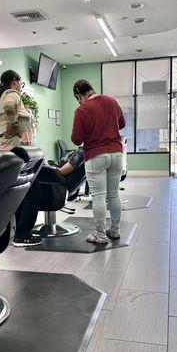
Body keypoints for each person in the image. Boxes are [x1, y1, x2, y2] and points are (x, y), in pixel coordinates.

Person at [71, 79, 125, 244]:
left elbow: (76, 139)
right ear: (92, 89)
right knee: (114, 194)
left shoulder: (82, 109)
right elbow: (122, 124)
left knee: (99, 197)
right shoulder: (112, 101)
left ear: (78, 95)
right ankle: (115, 230)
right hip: (116, 153)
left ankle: (100, 235)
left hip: (96, 155)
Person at [0, 70, 42, 247]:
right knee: (32, 193)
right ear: (14, 81)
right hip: (18, 149)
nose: (21, 86)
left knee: (20, 193)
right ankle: (23, 234)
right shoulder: (11, 94)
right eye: (21, 83)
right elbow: (9, 108)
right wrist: (16, 126)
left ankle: (18, 233)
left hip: (11, 149)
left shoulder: (1, 95)